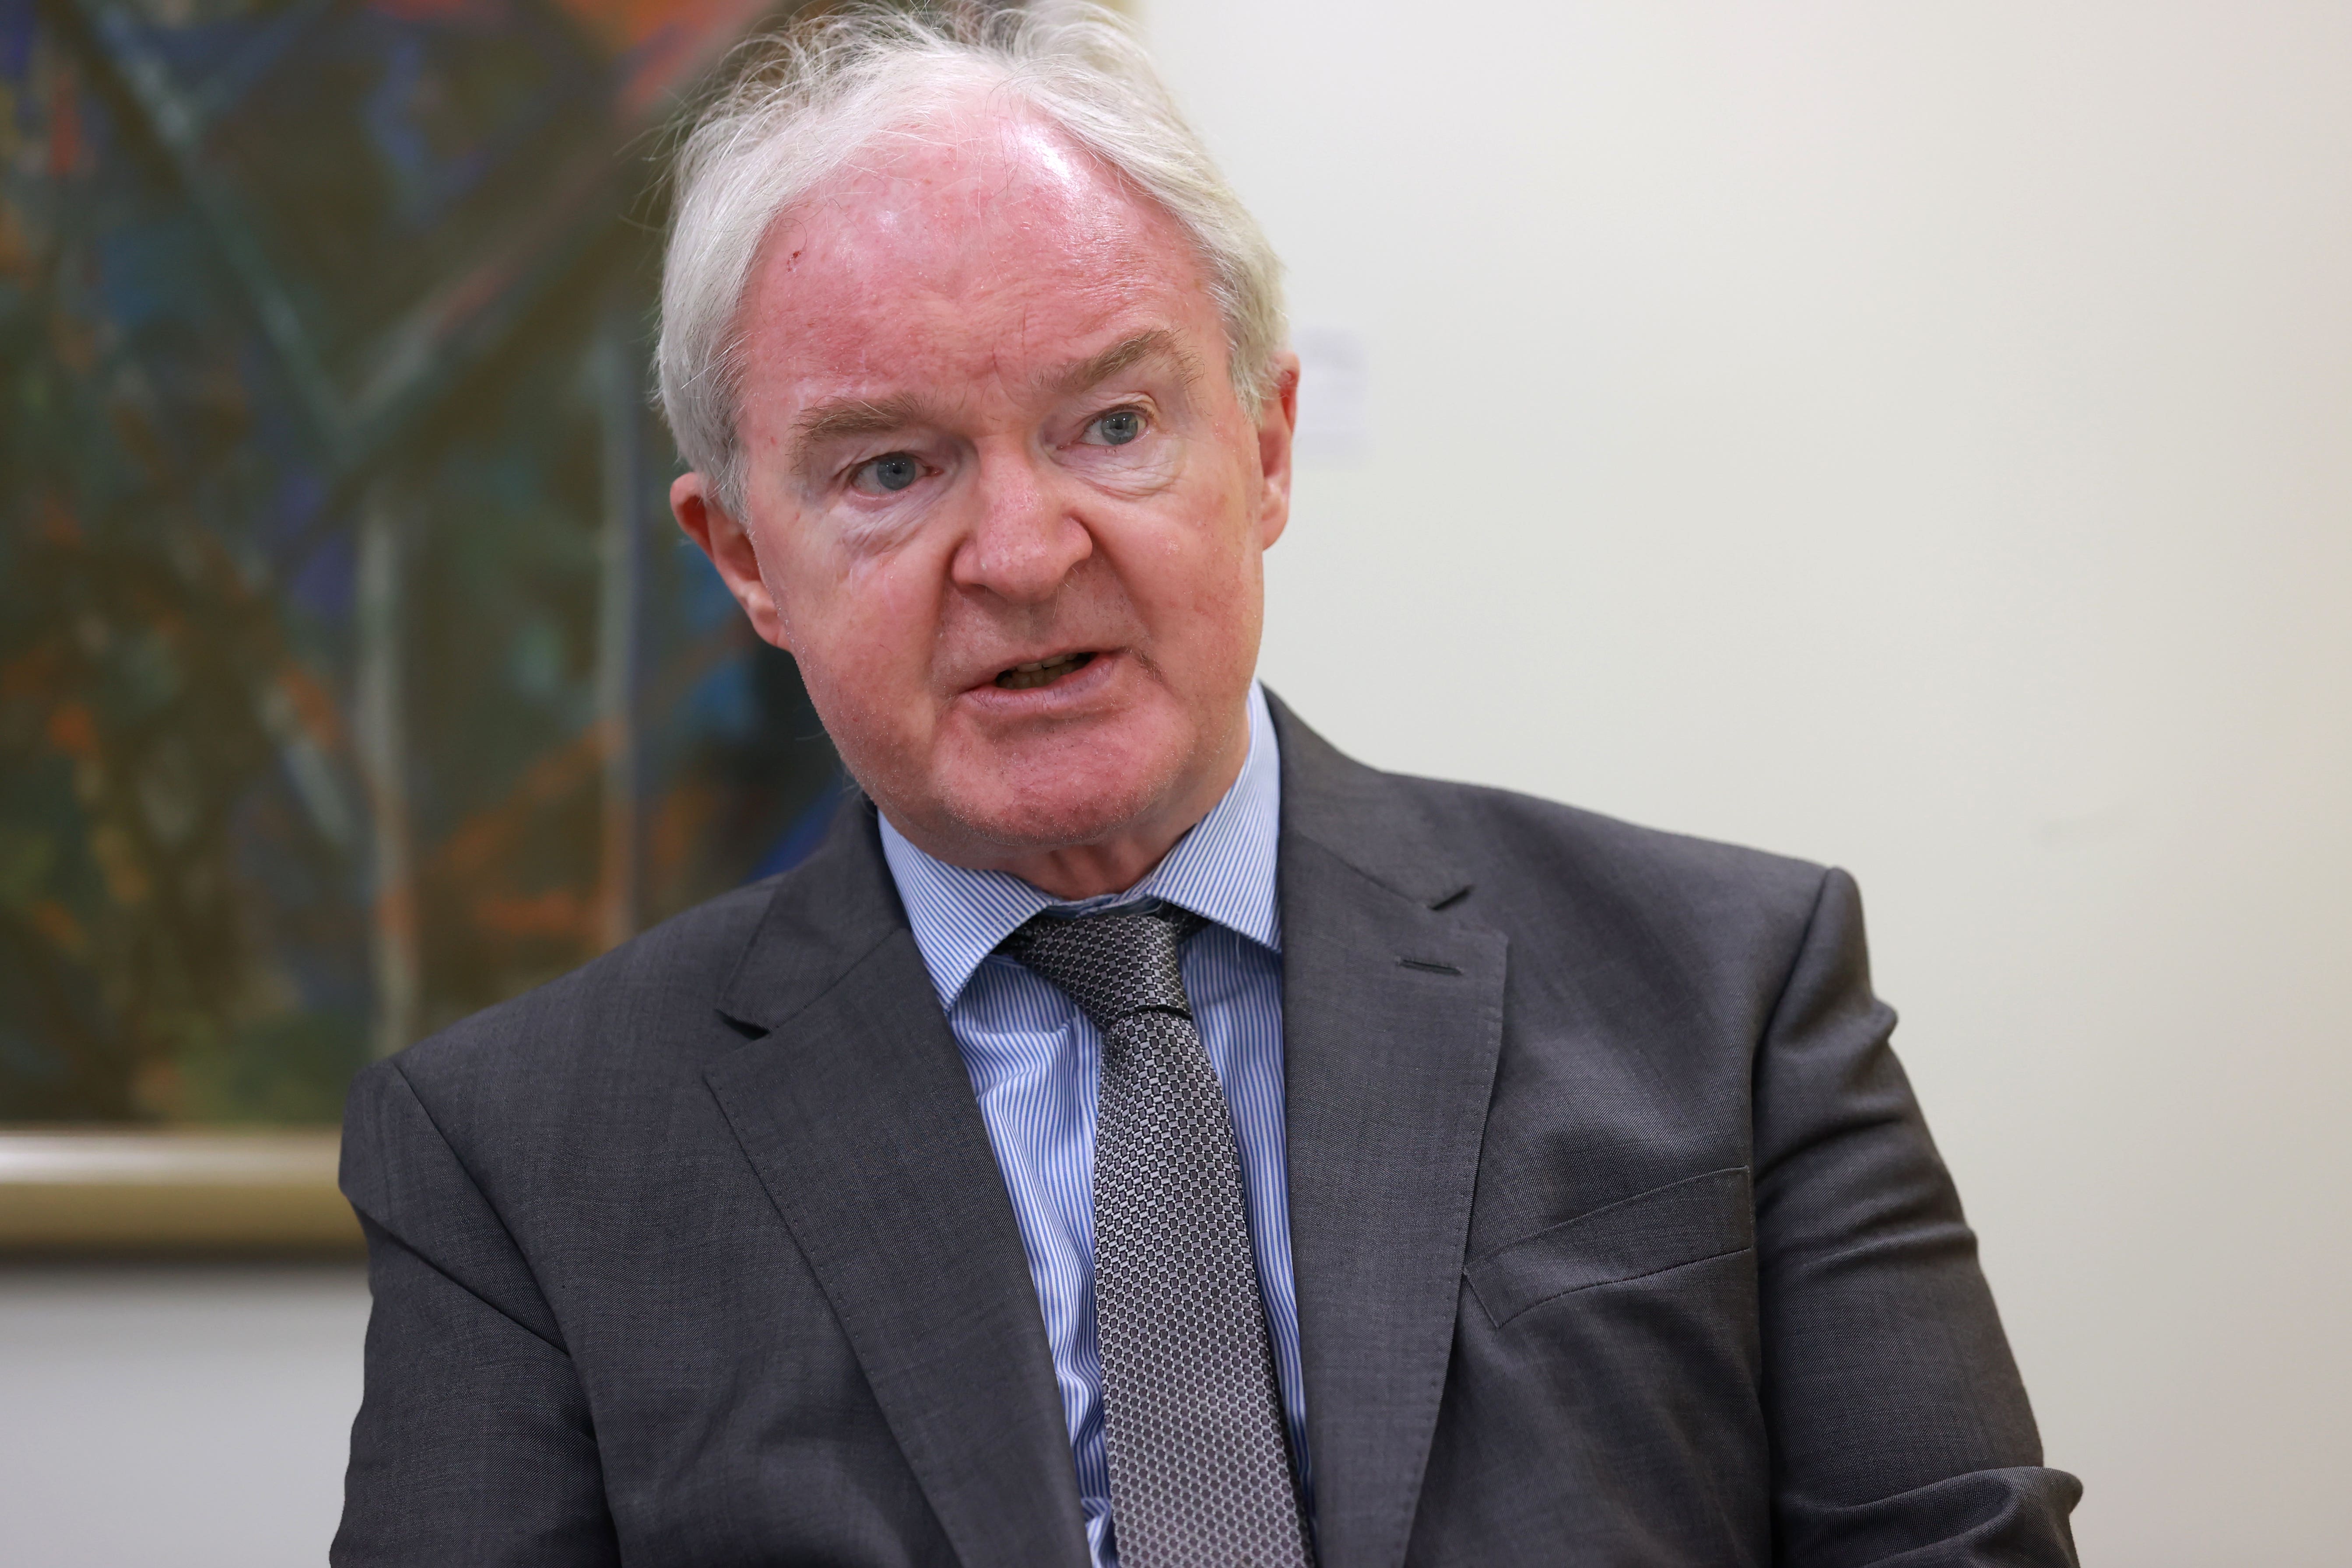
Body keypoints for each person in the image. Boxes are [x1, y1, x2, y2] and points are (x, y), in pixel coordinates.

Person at [333, 8, 2081, 1565]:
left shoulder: (1731, 992)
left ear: (1263, 446)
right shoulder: (521, 1154)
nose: (1023, 551)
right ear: (746, 561)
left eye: (1111, 424)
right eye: (890, 466)